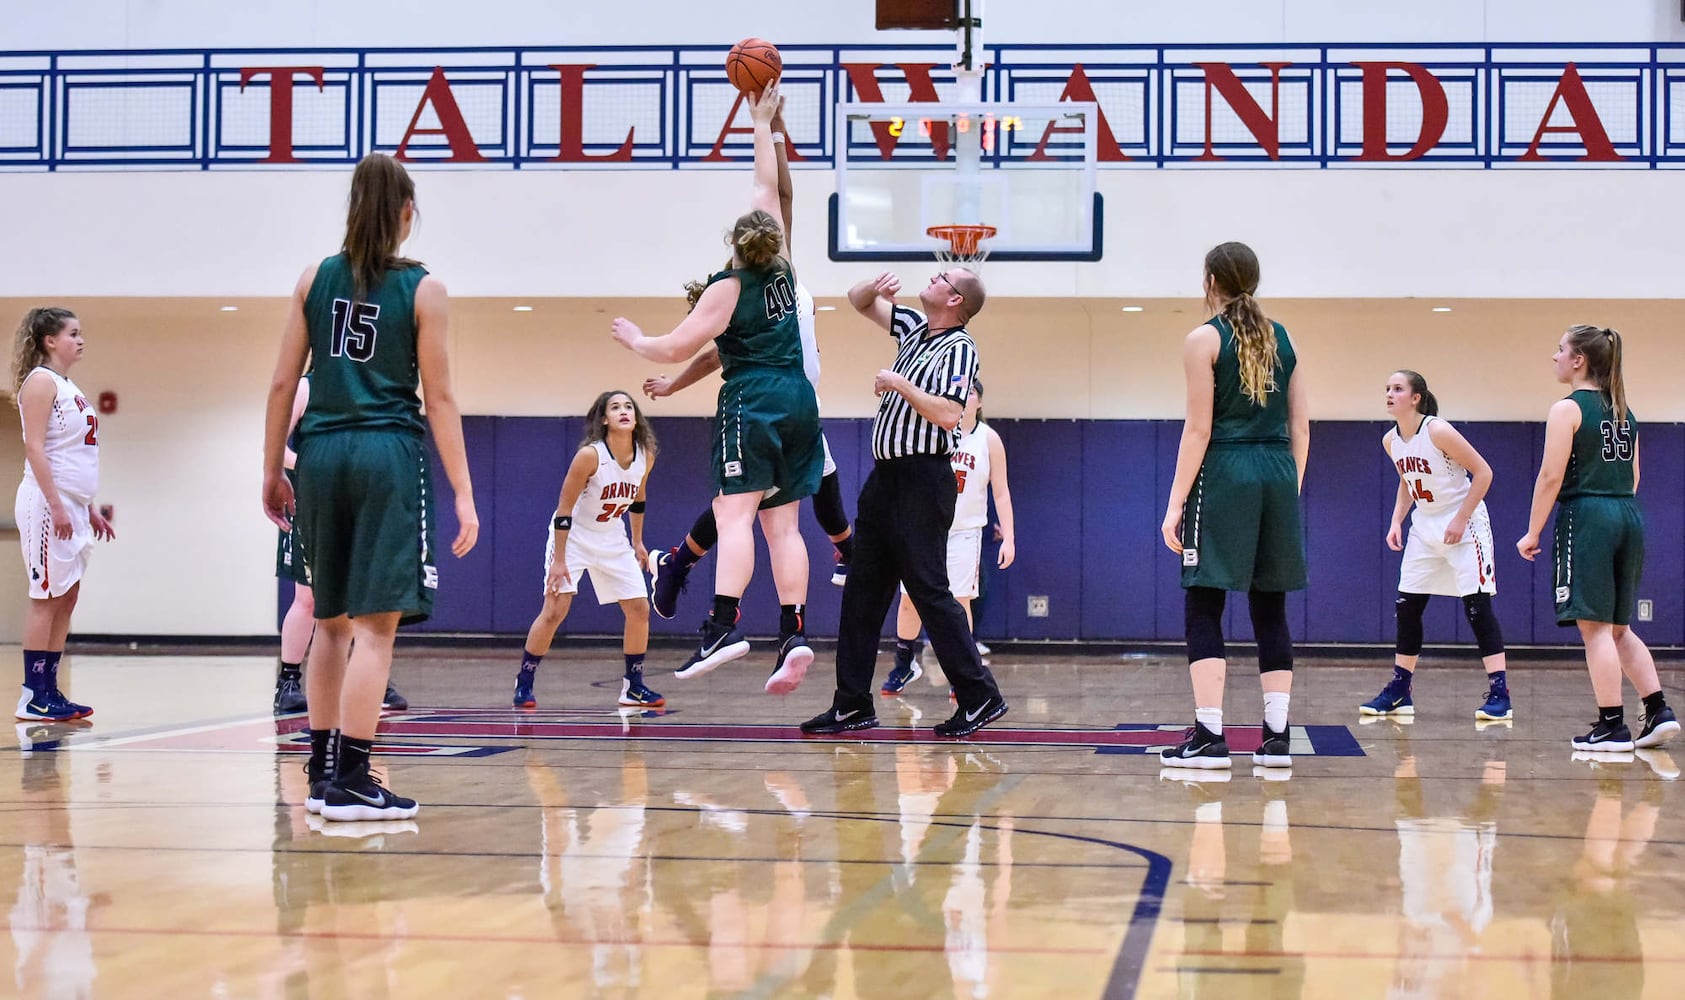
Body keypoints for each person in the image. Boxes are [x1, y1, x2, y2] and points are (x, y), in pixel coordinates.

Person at [262, 152, 478, 822]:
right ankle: (355, 778)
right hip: (385, 451)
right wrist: (465, 495)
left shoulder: (312, 279)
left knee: (328, 621)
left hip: (320, 452)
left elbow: (279, 384)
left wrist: (271, 469)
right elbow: (438, 399)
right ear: (407, 213)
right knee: (376, 628)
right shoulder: (424, 289)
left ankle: (323, 772)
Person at [610, 82, 822, 696]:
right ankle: (794, 631)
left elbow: (677, 345)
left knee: (734, 515)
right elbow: (769, 187)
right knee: (784, 526)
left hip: (753, 399)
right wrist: (767, 124)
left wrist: (635, 339)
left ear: (732, 243)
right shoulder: (784, 265)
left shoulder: (727, 288)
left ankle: (724, 624)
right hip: (799, 397)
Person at [644, 99, 854, 617]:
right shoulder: (755, 290)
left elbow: (779, 194)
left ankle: (682, 566)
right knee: (774, 501)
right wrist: (767, 128)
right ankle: (841, 558)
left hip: (793, 400)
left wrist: (776, 130)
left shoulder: (784, 271)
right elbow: (717, 353)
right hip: (778, 402)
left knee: (758, 502)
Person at [799, 265, 1008, 738]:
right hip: (885, 479)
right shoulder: (913, 326)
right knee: (861, 594)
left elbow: (949, 413)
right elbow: (857, 299)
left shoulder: (961, 348)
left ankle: (980, 696)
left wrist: (900, 384)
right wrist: (874, 288)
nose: (932, 277)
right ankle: (852, 703)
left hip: (923, 479)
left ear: (956, 301)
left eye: (942, 279)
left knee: (931, 592)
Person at [1159, 241, 1307, 770]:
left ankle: (1209, 735)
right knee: (1270, 605)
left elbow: (1198, 428)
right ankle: (1277, 737)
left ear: (1210, 281)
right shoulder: (1283, 337)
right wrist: (1288, 489)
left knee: (1204, 601)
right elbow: (1300, 426)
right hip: (1277, 471)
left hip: (1225, 470)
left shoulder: (1204, 338)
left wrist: (1175, 503)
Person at [1516, 325, 1678, 752]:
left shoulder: (1567, 409)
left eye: (1560, 349)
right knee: (1620, 628)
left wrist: (1533, 530)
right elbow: (1636, 477)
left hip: (1588, 514)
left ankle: (1611, 725)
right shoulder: (1626, 410)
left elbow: (1551, 476)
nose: (1554, 356)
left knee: (1596, 631)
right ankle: (1658, 709)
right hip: (1627, 512)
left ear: (1578, 360)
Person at [1360, 370, 1511, 721]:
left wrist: (1460, 518)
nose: (1389, 393)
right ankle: (1400, 690)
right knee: (1407, 606)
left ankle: (1500, 693)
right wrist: (1397, 519)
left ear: (1416, 398)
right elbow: (1406, 480)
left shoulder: (1437, 430)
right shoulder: (1390, 440)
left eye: (1397, 388)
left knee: (1476, 607)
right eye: (1387, 388)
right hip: (1424, 525)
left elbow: (1484, 472)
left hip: (1464, 521)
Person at [512, 390, 661, 710]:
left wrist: (637, 541)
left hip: (612, 537)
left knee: (639, 609)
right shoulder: (590, 456)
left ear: (636, 417)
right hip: (574, 536)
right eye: (615, 407)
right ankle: (524, 681)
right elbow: (563, 510)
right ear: (604, 419)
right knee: (555, 610)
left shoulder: (645, 453)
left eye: (628, 406)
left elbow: (639, 497)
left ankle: (633, 687)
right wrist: (560, 561)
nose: (624, 411)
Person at [272, 376, 409, 716]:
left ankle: (370, 673)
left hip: (358, 503)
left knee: (364, 598)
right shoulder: (307, 386)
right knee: (308, 598)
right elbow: (275, 447)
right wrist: (316, 465)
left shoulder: (369, 387)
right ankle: (287, 684)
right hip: (313, 502)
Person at [882, 378, 1015, 695]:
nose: (964, 397)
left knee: (960, 603)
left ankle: (963, 672)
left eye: (971, 392)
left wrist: (1008, 537)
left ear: (979, 401)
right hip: (925, 530)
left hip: (965, 533)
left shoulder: (989, 439)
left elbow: (1002, 493)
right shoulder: (933, 432)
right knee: (909, 601)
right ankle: (904, 663)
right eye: (959, 392)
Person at [11, 308, 113, 722]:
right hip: (44, 502)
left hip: (70, 504)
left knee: (67, 597)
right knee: (46, 597)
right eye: (73, 333)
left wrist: (88, 507)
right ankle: (33, 694)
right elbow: (35, 449)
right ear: (50, 340)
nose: (81, 339)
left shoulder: (70, 387)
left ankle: (50, 689)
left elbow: (73, 455)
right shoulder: (40, 382)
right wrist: (55, 504)